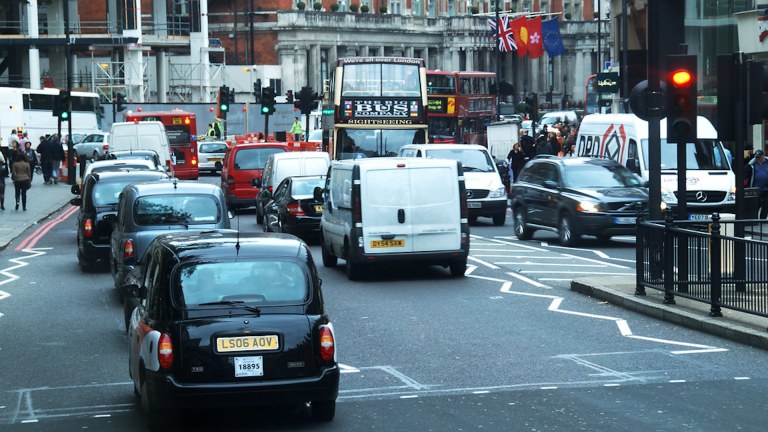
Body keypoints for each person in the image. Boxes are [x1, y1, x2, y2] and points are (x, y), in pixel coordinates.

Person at [749, 149, 768, 218]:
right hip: (757, 188)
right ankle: (754, 218)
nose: (758, 159)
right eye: (756, 157)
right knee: (756, 204)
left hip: (766, 188)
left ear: (763, 156)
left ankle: (763, 218)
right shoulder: (753, 163)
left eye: (759, 157)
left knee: (766, 205)